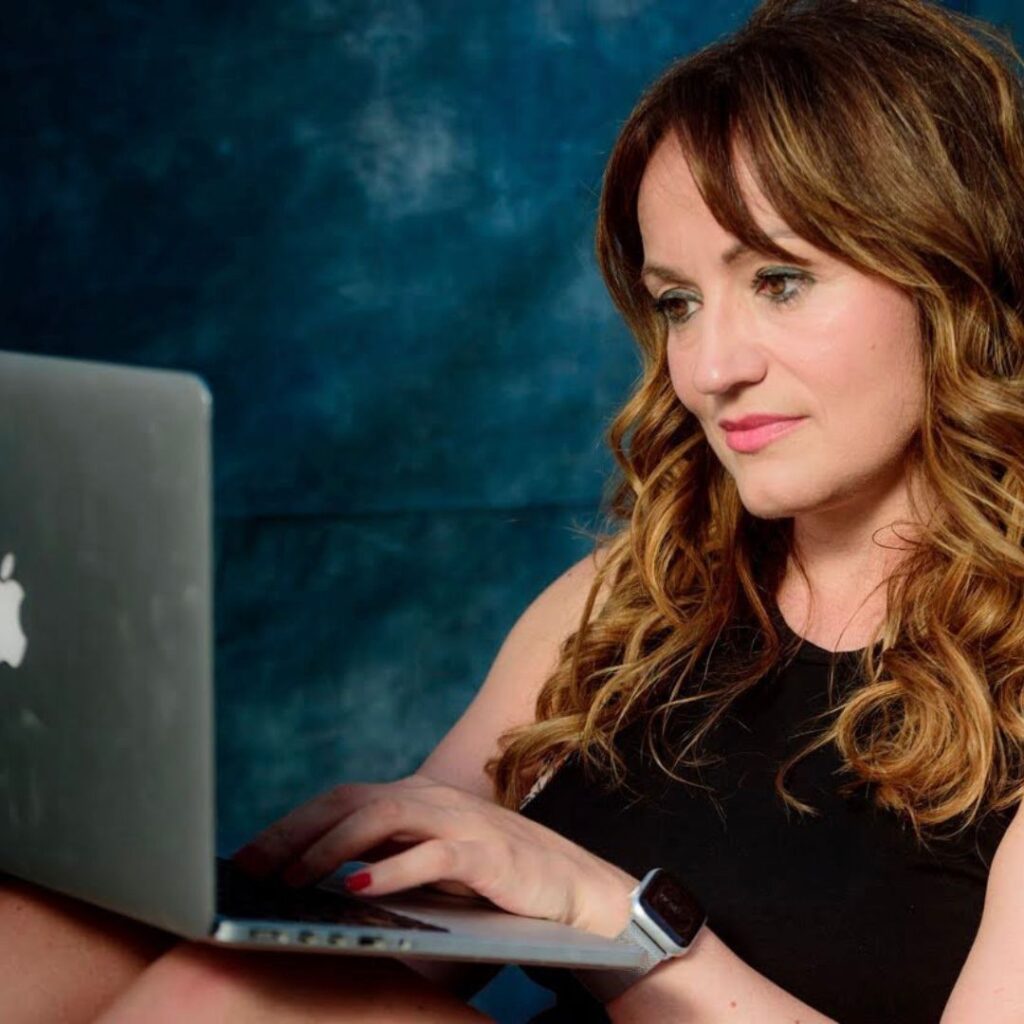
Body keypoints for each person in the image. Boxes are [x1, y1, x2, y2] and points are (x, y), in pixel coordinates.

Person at [5, 0, 1024, 1020]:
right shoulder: (629, 598)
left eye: (780, 280)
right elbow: (395, 949)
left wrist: (615, 920)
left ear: (959, 278)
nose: (711, 368)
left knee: (219, 998)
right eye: (677, 302)